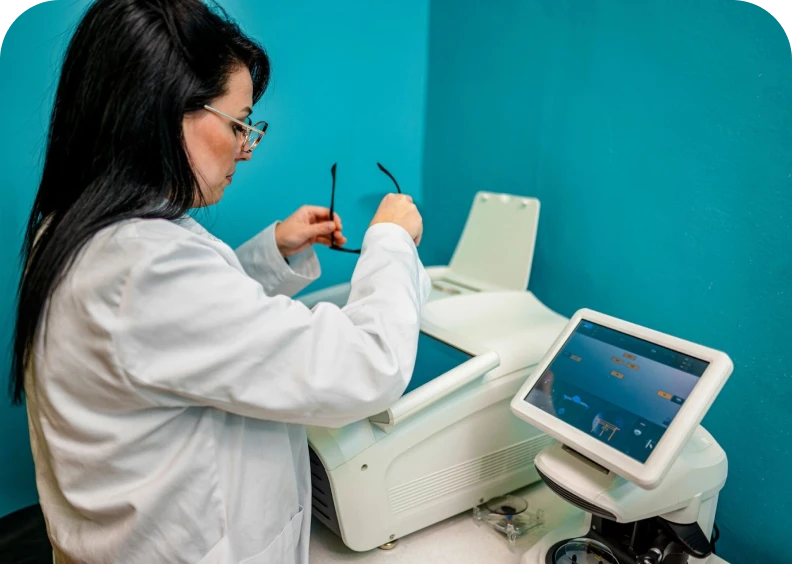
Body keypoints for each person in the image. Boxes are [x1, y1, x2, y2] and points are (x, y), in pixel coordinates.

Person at [9, 0, 429, 562]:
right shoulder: (144, 270)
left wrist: (270, 252)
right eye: (238, 124)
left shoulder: (78, 230)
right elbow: (367, 364)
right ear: (159, 109)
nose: (245, 149)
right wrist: (392, 241)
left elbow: (176, 335)